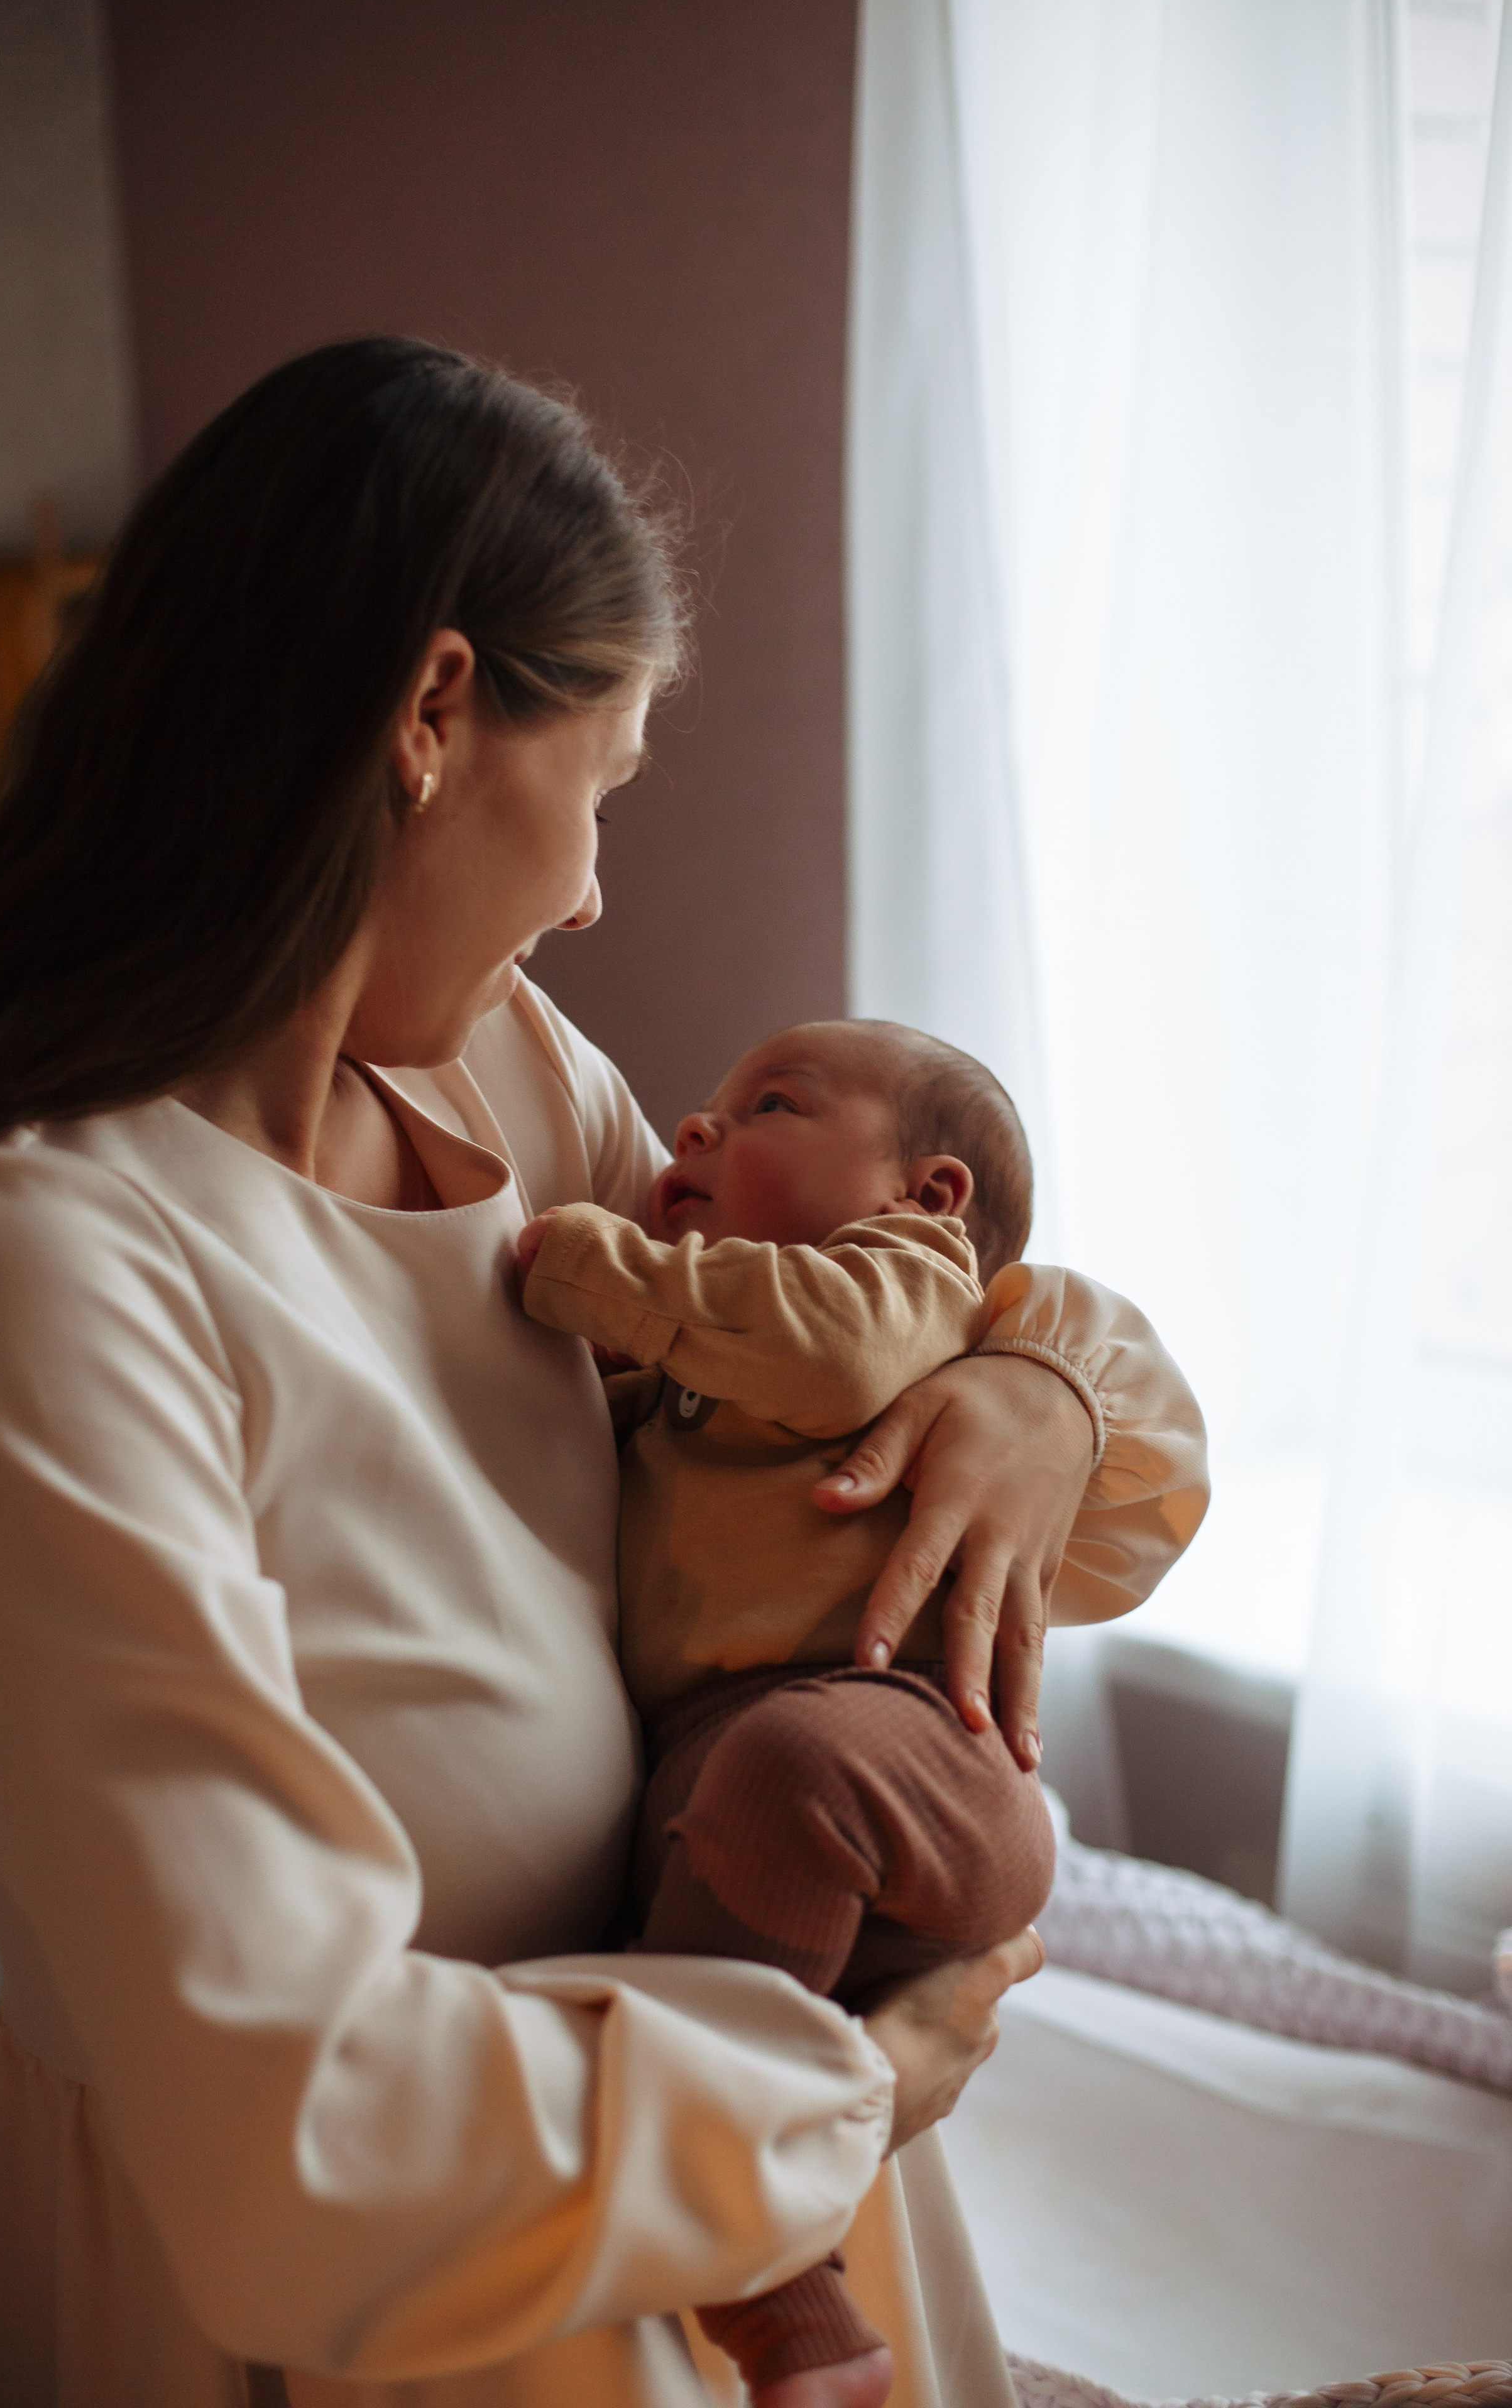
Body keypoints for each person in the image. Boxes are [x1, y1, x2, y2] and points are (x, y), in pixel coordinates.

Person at [0, 337, 1209, 2408]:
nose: (597, 888)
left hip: (715, 2200)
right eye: (597, 785)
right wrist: (843, 2091)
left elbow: (922, 1331)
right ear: (435, 713)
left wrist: (1042, 1391)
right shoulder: (35, 1269)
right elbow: (290, 2139)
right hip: (402, 2306)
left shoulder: (506, 1075)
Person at [514, 1019, 1066, 2407]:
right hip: (752, 1798)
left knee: (782, 1768)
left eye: (764, 1105)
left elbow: (816, 1359)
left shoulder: (894, 1289)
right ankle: (792, 2312)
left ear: (924, 1195)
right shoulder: (704, 1373)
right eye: (698, 1107)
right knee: (662, 1942)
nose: (692, 1132)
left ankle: (744, 2251)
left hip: (912, 1759)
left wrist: (594, 1273)